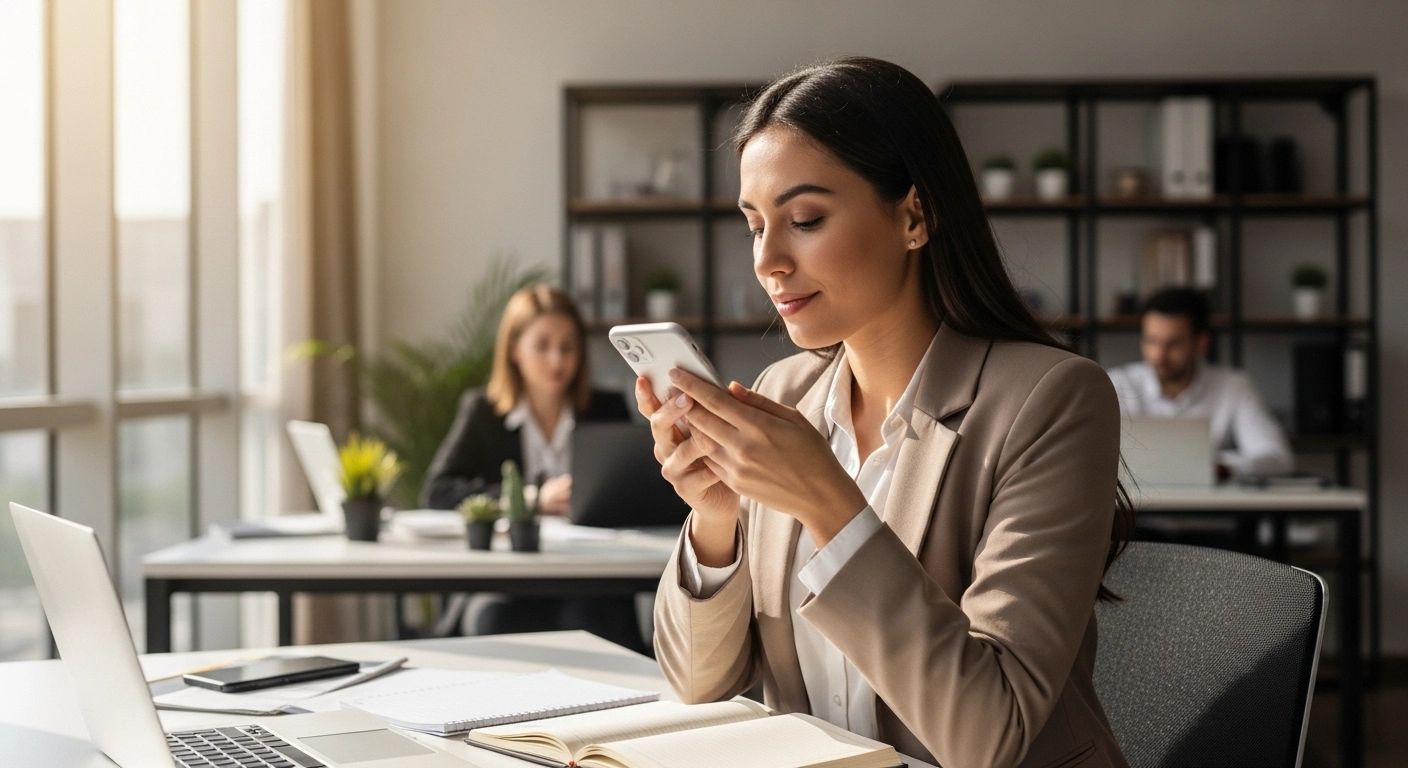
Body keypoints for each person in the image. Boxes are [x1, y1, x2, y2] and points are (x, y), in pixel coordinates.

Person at [639, 58, 1132, 768]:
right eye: (755, 225)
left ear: (914, 215)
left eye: (804, 219)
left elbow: (986, 734)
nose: (767, 260)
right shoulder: (783, 394)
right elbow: (697, 682)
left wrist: (826, 500)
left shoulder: (1053, 399)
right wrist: (716, 520)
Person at [422, 285, 645, 652]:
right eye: (542, 345)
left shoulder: (607, 408)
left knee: (594, 623)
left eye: (568, 346)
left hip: (589, 578)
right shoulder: (482, 412)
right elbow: (439, 490)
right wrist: (531, 499)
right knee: (495, 622)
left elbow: (633, 494)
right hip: (506, 582)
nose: (557, 360)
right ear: (514, 350)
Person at [1107, 288, 1294, 479]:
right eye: (1151, 341)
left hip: (1207, 507)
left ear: (1201, 343)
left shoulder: (1233, 386)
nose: (1158, 355)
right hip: (1136, 507)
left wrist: (1222, 466)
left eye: (1173, 344)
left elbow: (1277, 457)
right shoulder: (1117, 384)